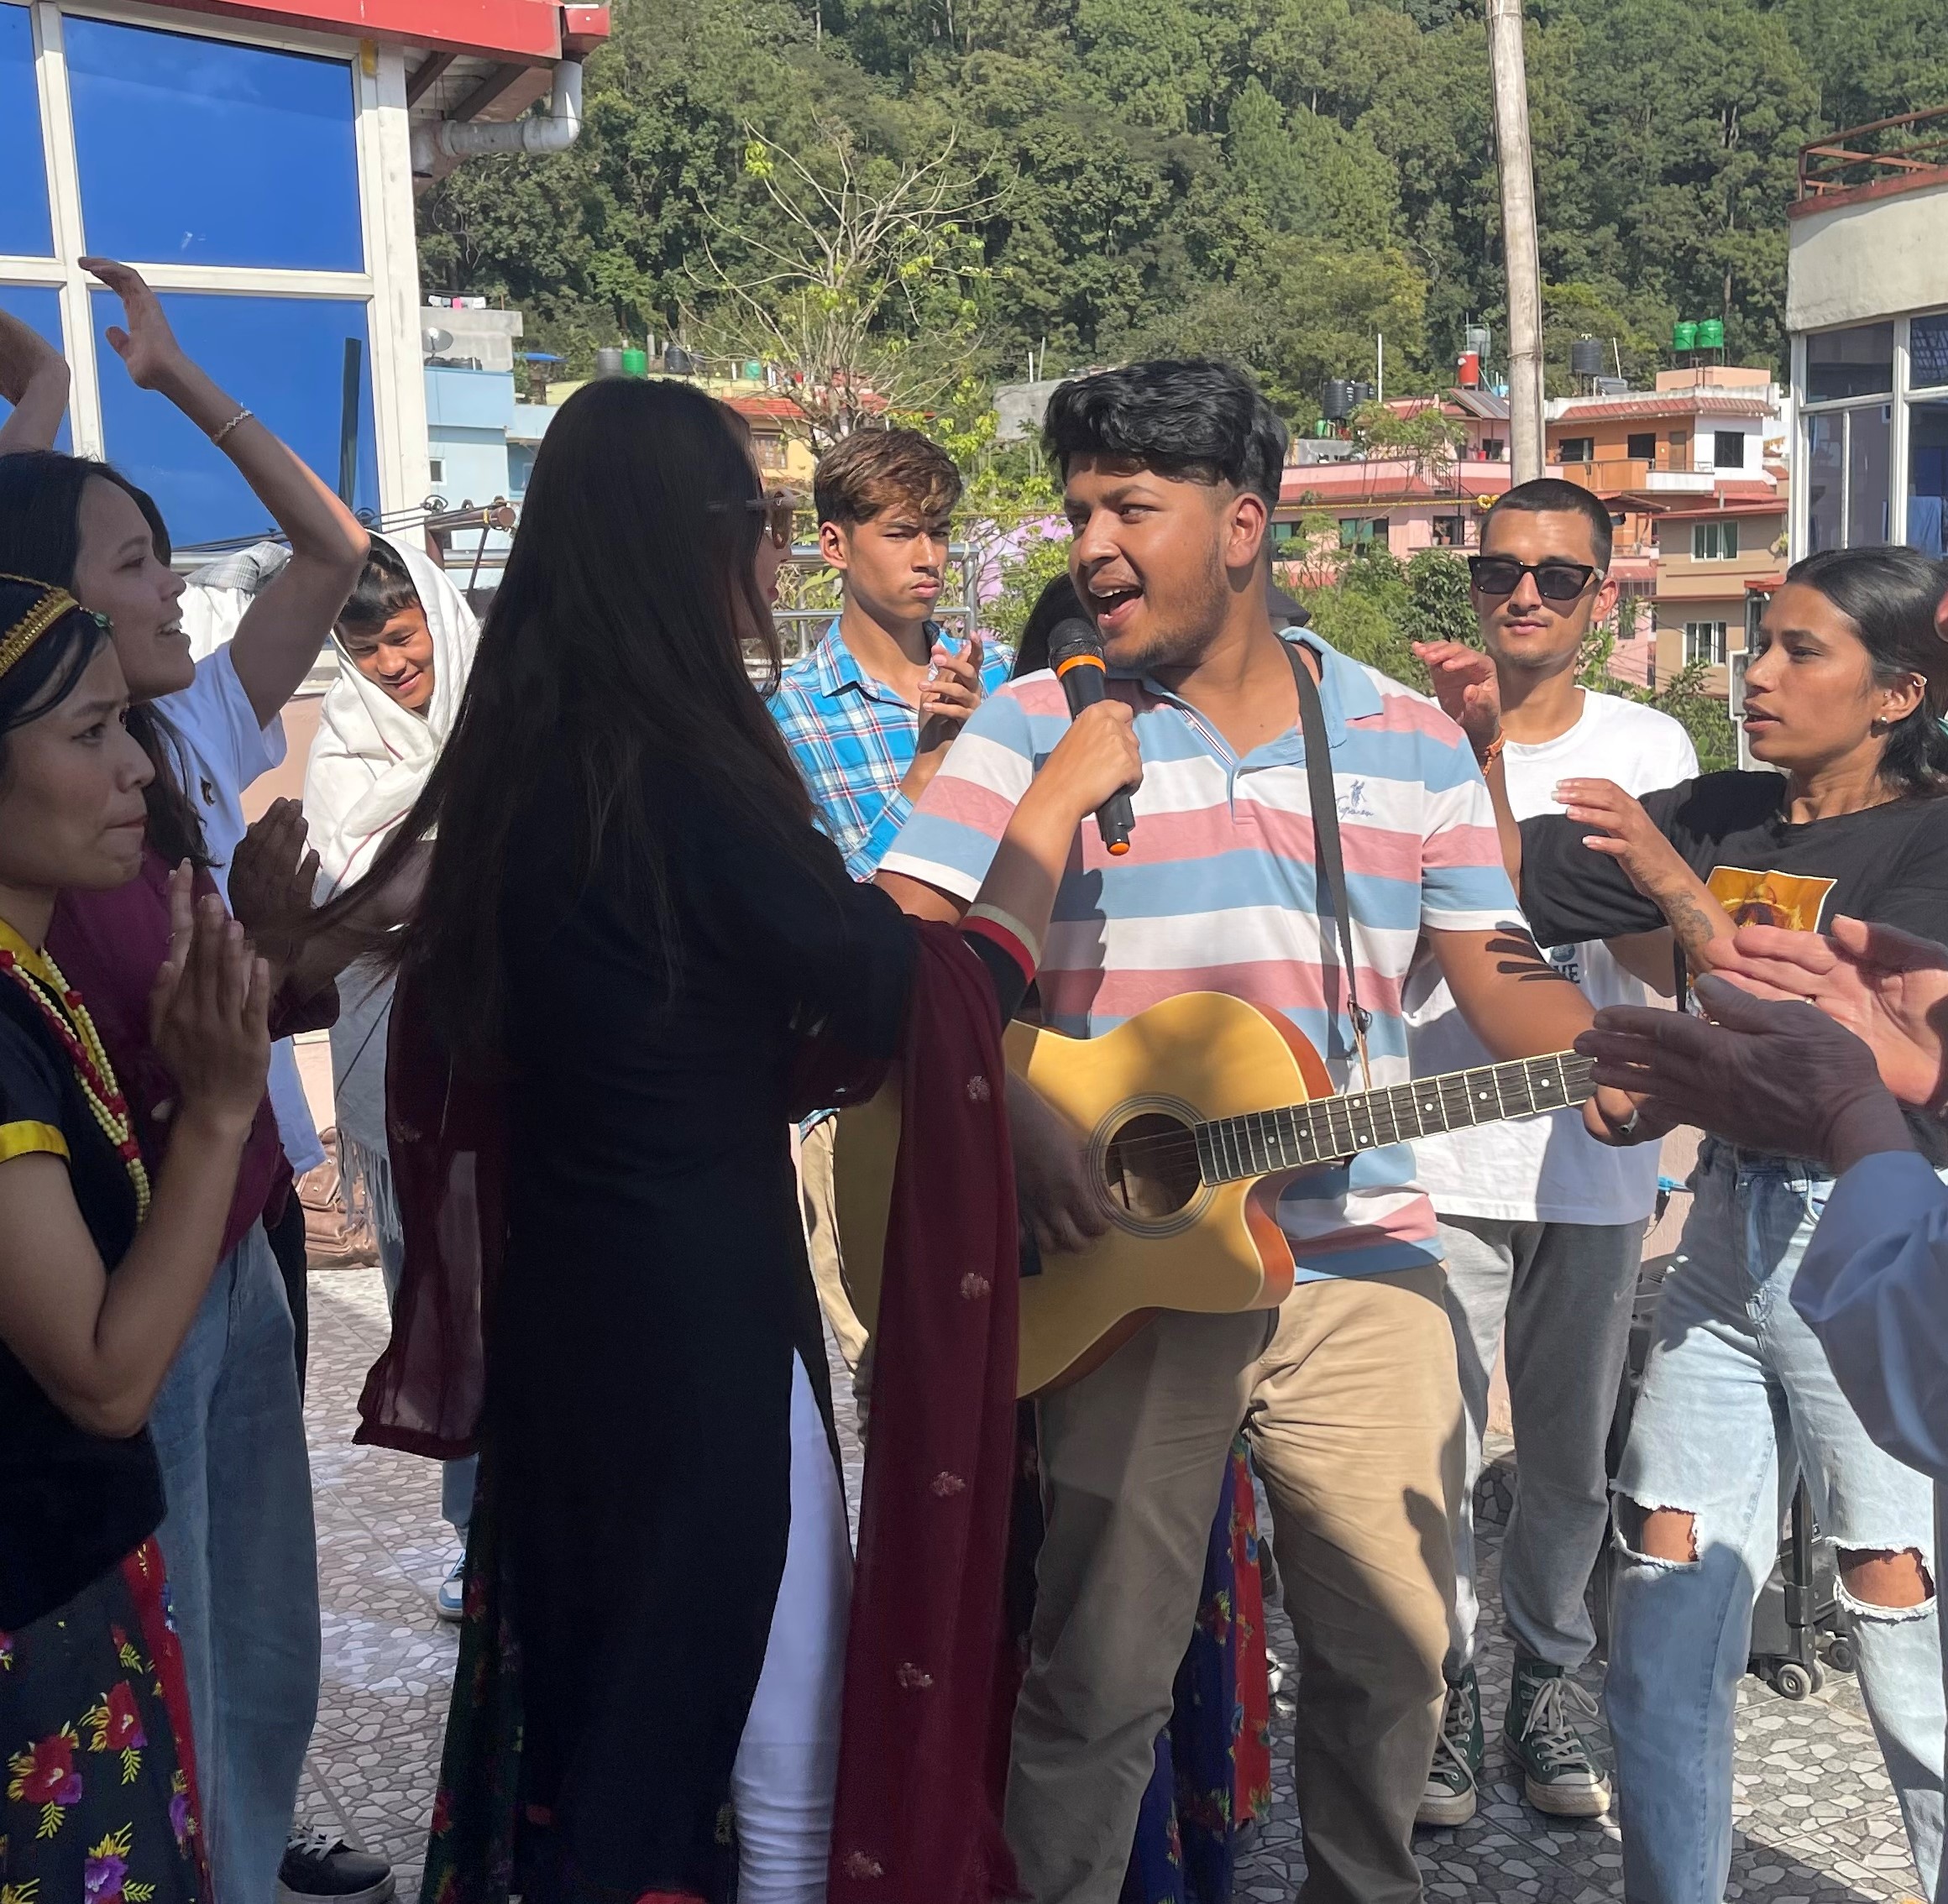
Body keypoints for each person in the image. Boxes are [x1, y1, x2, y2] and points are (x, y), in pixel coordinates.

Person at [306, 375, 1140, 1904]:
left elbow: (342, 954)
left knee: (613, 1720)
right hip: (698, 1329)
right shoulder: (678, 769)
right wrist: (1041, 811)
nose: (773, 557)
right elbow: (902, 991)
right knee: (761, 1744)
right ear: (687, 547)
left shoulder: (527, 759)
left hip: (572, 1314)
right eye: (757, 521)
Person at [876, 358, 1643, 1904]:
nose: (1090, 544)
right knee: (1099, 1674)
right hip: (1127, 1268)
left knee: (1403, 1660)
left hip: (1361, 1254)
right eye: (1078, 506)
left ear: (1242, 525)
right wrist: (1014, 1104)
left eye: (1129, 508)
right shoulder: (1033, 722)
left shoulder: (1409, 739)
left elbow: (1493, 961)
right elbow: (897, 947)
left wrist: (1613, 1050)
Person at [0, 263, 388, 1904]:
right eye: (136, 562)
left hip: (227, 1248)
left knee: (252, 1616)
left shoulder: (174, 746)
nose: (168, 593)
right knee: (162, 1623)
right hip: (123, 1281)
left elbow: (336, 552)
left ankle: (232, 1838)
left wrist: (166, 379)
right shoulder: (68, 817)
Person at [1511, 545, 1948, 1902]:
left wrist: (1672, 884)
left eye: (1800, 651)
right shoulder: (1722, 805)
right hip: (1723, 1227)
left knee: (1900, 1615)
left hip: (1871, 1215)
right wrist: (1480, 736)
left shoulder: (1932, 837)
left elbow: (1854, 1052)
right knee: (1662, 1591)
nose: (1755, 674)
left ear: (1899, 693)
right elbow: (1501, 876)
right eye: (1759, 641)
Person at [1404, 479, 1696, 1826]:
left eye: (1558, 577)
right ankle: (1449, 1695)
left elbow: (1664, 956)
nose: (1524, 593)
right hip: (1436, 1143)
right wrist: (1463, 764)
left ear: (1603, 594)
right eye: (1500, 568)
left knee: (1571, 1458)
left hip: (1591, 1161)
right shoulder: (1403, 737)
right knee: (1439, 1452)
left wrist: (1610, 863)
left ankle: (1548, 1685)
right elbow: (1391, 949)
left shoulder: (1646, 748)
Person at [0, 576, 270, 1904]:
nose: (134, 771)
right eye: (91, 734)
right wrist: (218, 1113)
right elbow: (105, 1380)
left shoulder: (27, 980)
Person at [767, 426, 1010, 1373]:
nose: (928, 558)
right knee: (901, 1380)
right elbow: (832, 918)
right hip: (865, 1093)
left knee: (1035, 1370)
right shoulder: (786, 720)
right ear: (834, 546)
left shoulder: (1002, 687)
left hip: (1014, 1057)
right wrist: (930, 773)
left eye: (940, 533)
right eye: (902, 532)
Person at [302, 535, 480, 1619]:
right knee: (446, 1303)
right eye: (369, 650)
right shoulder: (342, 747)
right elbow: (347, 887)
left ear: (439, 620)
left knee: (521, 1288)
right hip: (399, 1067)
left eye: (407, 639)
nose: (395, 666)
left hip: (513, 1058)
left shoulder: (508, 706)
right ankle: (472, 1536)